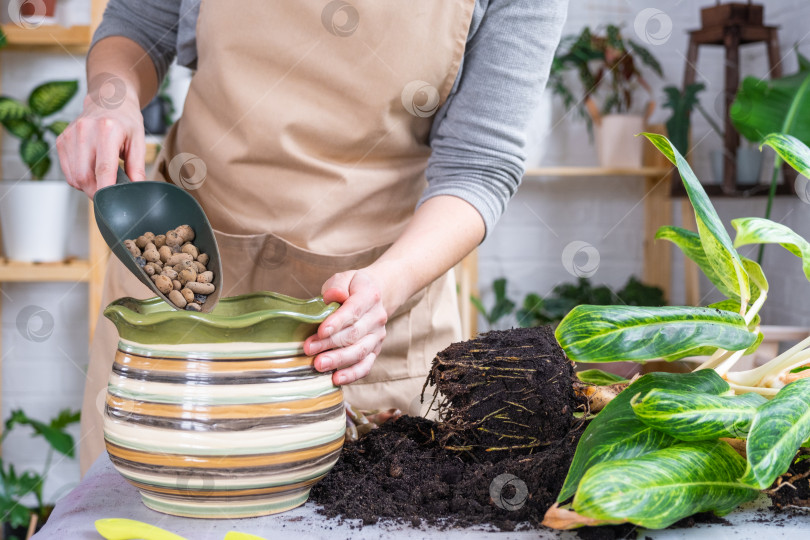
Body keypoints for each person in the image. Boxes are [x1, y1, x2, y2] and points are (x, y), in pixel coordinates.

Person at [57, 0, 567, 475]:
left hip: (367, 312)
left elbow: (479, 166)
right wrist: (112, 100)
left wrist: (385, 287)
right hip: (175, 284)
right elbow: (139, 24)